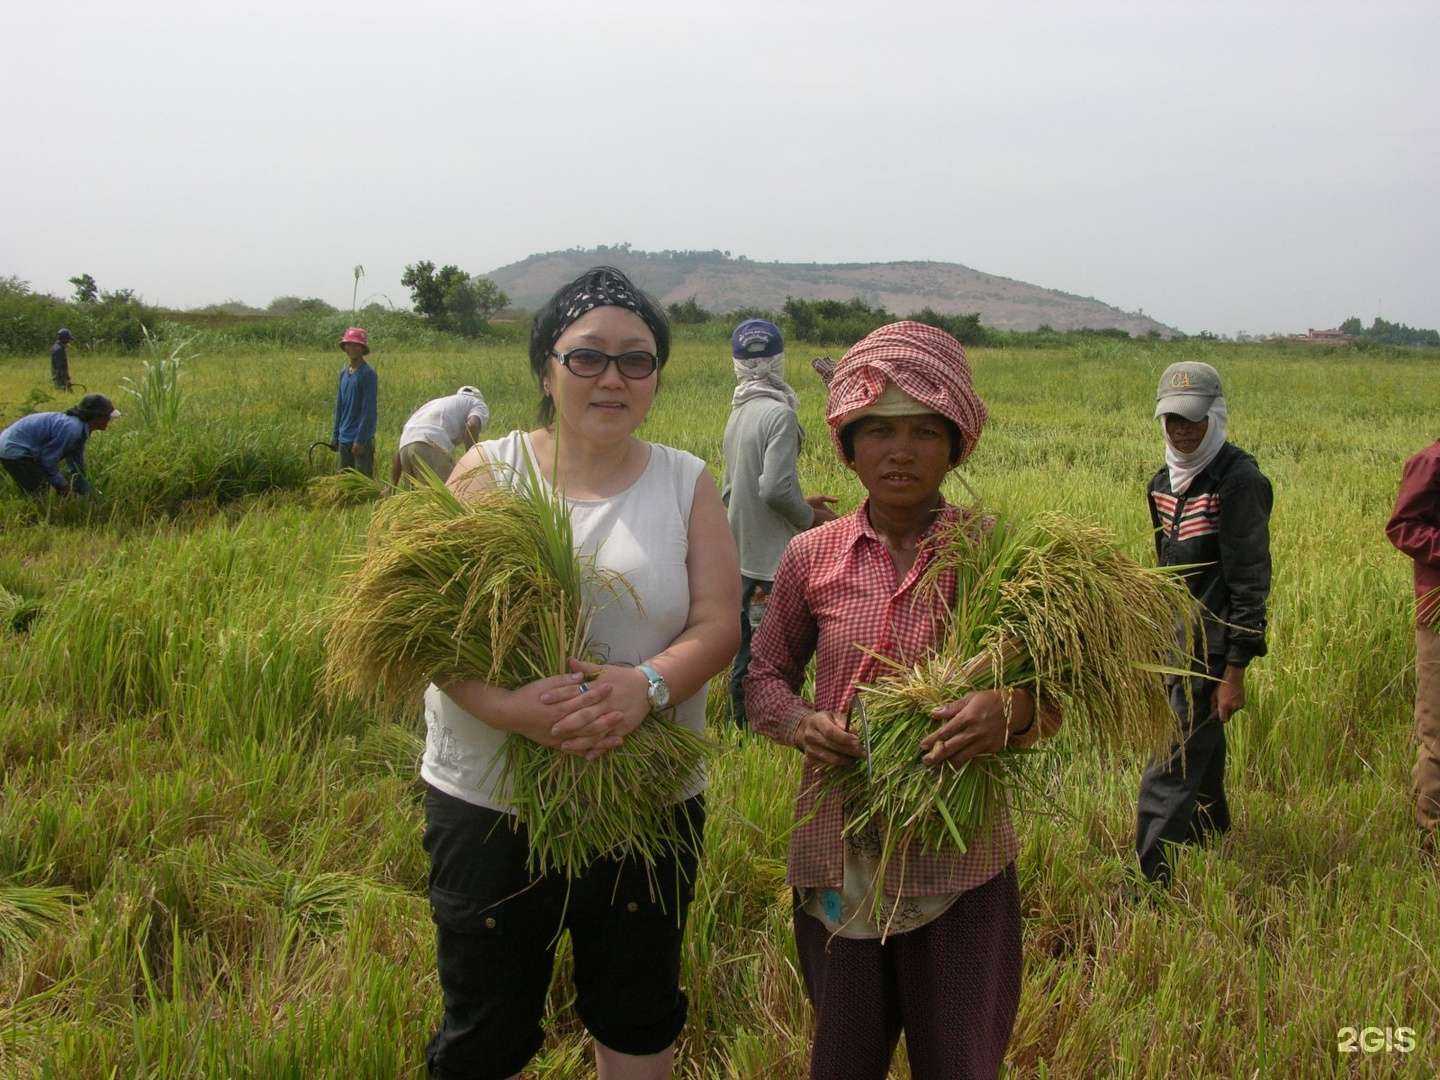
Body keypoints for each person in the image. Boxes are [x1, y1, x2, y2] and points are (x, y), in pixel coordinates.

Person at [420, 266, 740, 1080]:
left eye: (637, 360)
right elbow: (424, 635)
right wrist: (509, 708)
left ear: (658, 378)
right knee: (486, 1026)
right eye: (587, 356)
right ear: (545, 369)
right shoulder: (488, 477)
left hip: (649, 802)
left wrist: (649, 686)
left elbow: (717, 624)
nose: (612, 378)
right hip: (493, 801)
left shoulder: (686, 480)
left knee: (637, 1011)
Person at [746, 321, 1062, 1079]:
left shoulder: (996, 552)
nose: (900, 450)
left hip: (963, 856)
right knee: (844, 1059)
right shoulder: (809, 556)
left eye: (925, 431)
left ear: (955, 445)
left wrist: (1005, 712)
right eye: (877, 431)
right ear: (847, 447)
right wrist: (802, 723)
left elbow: (1051, 697)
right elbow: (760, 681)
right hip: (839, 851)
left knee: (958, 1061)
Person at [1135, 361, 1272, 886]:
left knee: (1171, 762)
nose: (1182, 431)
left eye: (1192, 420)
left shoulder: (1239, 484)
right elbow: (1165, 574)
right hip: (1176, 641)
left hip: (1211, 650)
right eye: (1172, 420)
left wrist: (1234, 671)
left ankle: (1149, 880)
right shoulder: (1161, 484)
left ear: (1216, 417)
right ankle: (1211, 836)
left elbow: (1250, 579)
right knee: (1199, 745)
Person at [720, 318, 836, 726]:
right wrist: (811, 517)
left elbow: (737, 488)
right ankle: (754, 728)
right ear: (780, 361)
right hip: (770, 561)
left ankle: (745, 728)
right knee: (765, 657)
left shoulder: (740, 411)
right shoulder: (779, 415)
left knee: (749, 649)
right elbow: (772, 490)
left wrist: (799, 500)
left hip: (742, 552)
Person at [1385, 440, 1440, 855]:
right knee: (1438, 731)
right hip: (1439, 615)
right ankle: (1433, 837)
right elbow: (1402, 526)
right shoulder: (1430, 461)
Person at [0, 393, 119, 497]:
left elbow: (76, 464)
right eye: (108, 417)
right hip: (15, 451)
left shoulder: (79, 429)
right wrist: (63, 487)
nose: (109, 420)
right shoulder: (72, 430)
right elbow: (47, 461)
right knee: (41, 494)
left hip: (14, 446)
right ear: (96, 417)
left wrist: (86, 490)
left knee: (45, 489)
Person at [390, 386, 490, 486]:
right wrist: (472, 459)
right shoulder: (477, 403)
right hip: (429, 444)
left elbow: (405, 443)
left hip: (404, 450)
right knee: (450, 494)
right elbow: (472, 425)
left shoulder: (434, 404)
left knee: (418, 499)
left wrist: (392, 485)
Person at [332, 327, 377, 477]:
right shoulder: (344, 373)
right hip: (344, 437)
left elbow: (368, 410)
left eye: (356, 345)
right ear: (344, 347)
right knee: (344, 481)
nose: (352, 348)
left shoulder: (368, 374)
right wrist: (335, 435)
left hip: (360, 439)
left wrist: (360, 440)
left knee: (362, 483)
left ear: (362, 348)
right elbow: (339, 406)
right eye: (349, 344)